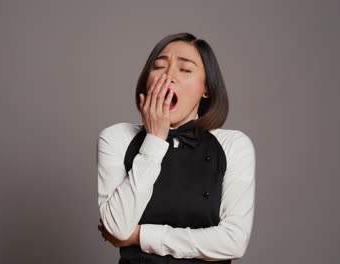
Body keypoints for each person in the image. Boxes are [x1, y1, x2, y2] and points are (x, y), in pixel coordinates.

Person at [96, 32, 256, 263]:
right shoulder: (116, 138)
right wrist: (154, 140)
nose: (169, 76)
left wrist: (141, 235)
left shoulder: (234, 145)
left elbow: (233, 242)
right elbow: (117, 229)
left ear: (206, 89)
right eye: (159, 67)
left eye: (185, 70)